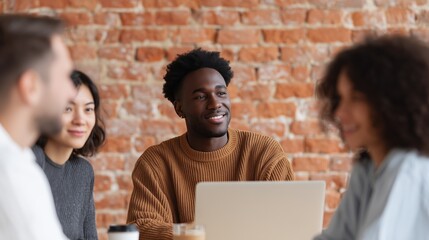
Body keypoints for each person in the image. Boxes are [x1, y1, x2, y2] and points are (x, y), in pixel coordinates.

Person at [127, 48, 295, 240]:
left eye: (221, 93)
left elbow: (286, 225)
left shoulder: (264, 152)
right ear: (179, 108)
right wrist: (196, 234)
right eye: (200, 97)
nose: (215, 104)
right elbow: (142, 228)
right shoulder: (156, 162)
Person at [313, 35, 429, 240]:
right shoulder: (367, 169)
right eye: (340, 98)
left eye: (356, 98)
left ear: (391, 103)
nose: (340, 112)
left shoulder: (407, 168)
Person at [0, 14, 76, 239]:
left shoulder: (19, 161)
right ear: (30, 86)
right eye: (65, 77)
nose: (71, 92)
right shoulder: (10, 174)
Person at [33, 70, 106, 240]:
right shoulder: (30, 161)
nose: (80, 119)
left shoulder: (82, 172)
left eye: (88, 109)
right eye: (67, 108)